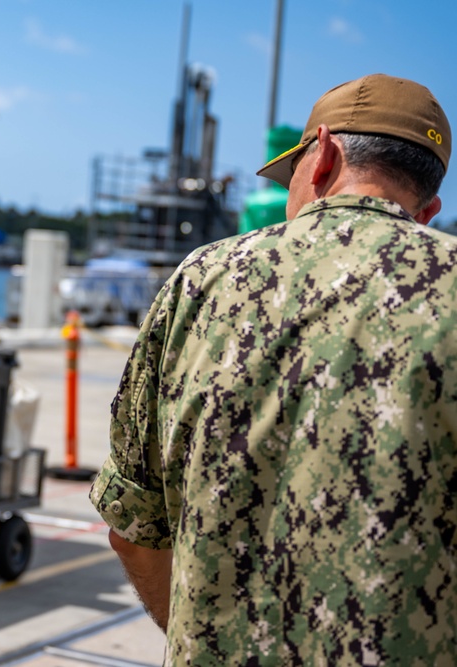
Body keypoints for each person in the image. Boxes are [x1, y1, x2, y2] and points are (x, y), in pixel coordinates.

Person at [90, 73, 457, 664]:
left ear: (323, 158)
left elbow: (133, 527)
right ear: (430, 210)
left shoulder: (199, 282)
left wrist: (196, 640)